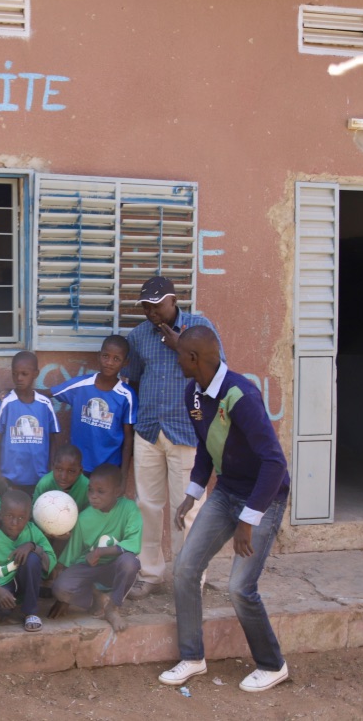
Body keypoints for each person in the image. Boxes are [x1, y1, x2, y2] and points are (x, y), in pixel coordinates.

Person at [158, 327, 291, 693]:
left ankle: (272, 664)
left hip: (263, 498)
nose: (177, 359)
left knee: (239, 587)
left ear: (195, 359)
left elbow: (274, 463)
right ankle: (192, 657)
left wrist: (249, 520)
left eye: (181, 355)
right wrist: (193, 492)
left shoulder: (241, 395)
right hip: (226, 491)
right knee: (185, 568)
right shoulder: (194, 394)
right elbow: (205, 445)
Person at [124, 276, 224, 600]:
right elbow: (136, 379)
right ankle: (150, 573)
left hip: (187, 432)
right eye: (146, 306)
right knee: (147, 507)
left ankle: (189, 578)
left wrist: (181, 345)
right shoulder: (138, 336)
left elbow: (218, 373)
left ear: (174, 300)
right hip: (150, 431)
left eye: (157, 305)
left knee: (188, 510)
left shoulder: (198, 327)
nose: (151, 312)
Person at [49, 464, 142, 633]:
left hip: (114, 567)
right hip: (89, 568)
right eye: (90, 490)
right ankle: (95, 597)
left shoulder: (129, 509)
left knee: (130, 562)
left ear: (117, 491)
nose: (93, 497)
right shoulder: (84, 518)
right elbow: (70, 557)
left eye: (100, 491)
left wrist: (100, 551)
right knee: (60, 588)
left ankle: (112, 607)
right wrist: (62, 598)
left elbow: (133, 545)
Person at [50, 335, 137, 480]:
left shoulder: (127, 395)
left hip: (109, 468)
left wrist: (123, 476)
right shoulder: (81, 385)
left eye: (116, 359)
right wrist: (12, 391)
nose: (109, 362)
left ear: (125, 362)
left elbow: (128, 438)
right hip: (79, 466)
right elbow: (49, 393)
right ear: (99, 356)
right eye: (105, 356)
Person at [0, 489, 55, 633]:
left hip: (24, 582)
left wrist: (32, 546)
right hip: (1, 585)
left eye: (21, 517)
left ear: (29, 517)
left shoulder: (31, 531)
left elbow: (50, 560)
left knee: (33, 557)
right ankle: (6, 605)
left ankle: (31, 612)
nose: (14, 523)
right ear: (0, 514)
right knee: (3, 611)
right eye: (9, 516)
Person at [0, 351, 60, 494]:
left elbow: (53, 440)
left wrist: (51, 471)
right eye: (15, 373)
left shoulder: (44, 404)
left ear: (35, 374)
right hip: (10, 479)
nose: (19, 378)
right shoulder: (6, 403)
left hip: (39, 478)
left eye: (24, 374)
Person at [33, 444, 90, 512]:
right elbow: (35, 511)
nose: (63, 477)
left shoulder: (87, 487)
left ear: (80, 471)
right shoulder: (45, 484)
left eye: (71, 471)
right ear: (53, 466)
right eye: (59, 469)